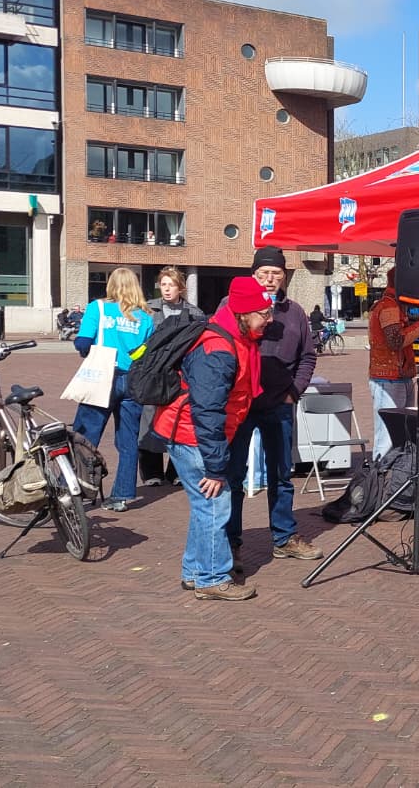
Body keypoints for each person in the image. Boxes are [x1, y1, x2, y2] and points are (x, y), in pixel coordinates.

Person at [153, 276, 272, 600]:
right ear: (244, 313)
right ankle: (211, 578)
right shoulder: (217, 348)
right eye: (264, 312)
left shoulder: (237, 338)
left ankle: (194, 571)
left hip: (193, 432)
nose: (269, 318)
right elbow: (207, 411)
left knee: (206, 506)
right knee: (216, 504)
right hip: (192, 435)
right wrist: (216, 467)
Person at [221, 247, 322, 569]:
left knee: (281, 474)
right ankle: (230, 541)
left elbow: (308, 356)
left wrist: (294, 390)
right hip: (240, 404)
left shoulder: (295, 313)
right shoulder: (230, 306)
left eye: (276, 273)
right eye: (263, 273)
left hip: (279, 404)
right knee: (233, 474)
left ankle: (283, 537)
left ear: (284, 276)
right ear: (253, 275)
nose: (269, 278)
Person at [74, 267, 155, 512]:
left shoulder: (98, 308)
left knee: (85, 436)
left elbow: (83, 342)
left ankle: (80, 489)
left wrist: (88, 349)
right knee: (128, 439)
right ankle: (121, 495)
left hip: (103, 375)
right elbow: (145, 352)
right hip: (132, 378)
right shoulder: (146, 317)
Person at [139, 267, 206, 487]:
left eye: (172, 285)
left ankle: (176, 470)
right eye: (164, 284)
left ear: (181, 288)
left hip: (180, 372)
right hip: (155, 370)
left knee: (178, 417)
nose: (167, 289)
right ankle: (151, 471)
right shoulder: (148, 309)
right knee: (149, 418)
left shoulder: (194, 313)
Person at [367, 267, 417, 459]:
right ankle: (379, 482)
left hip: (398, 378)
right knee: (387, 437)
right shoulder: (388, 307)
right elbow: (395, 341)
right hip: (388, 380)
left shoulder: (394, 305)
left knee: (403, 435)